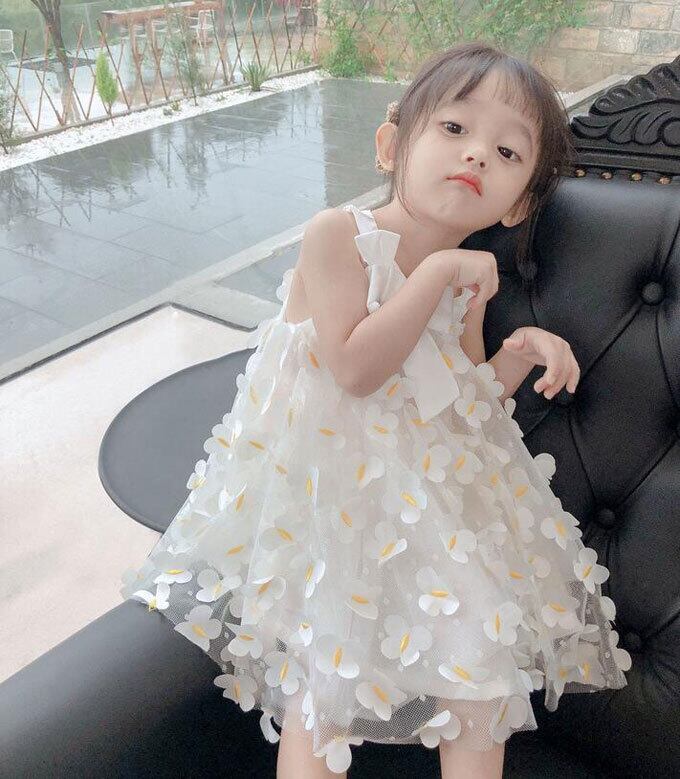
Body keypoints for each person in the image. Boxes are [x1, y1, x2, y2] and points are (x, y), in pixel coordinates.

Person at [120, 41, 631, 779]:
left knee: (480, 661)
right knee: (325, 677)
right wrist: (441, 271)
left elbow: (460, 398)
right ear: (392, 145)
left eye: (507, 151)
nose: (476, 154)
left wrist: (518, 354)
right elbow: (356, 367)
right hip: (327, 502)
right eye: (454, 128)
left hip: (423, 499)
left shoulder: (469, 281)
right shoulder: (338, 236)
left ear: (518, 201)